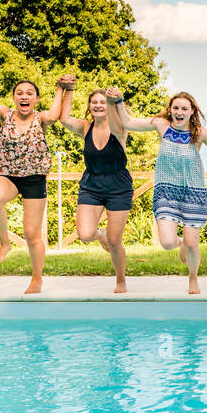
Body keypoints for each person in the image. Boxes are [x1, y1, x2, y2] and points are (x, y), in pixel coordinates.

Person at [114, 91, 207, 295]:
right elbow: (128, 122)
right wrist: (118, 101)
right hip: (166, 191)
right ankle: (181, 244)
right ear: (171, 109)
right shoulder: (161, 125)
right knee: (167, 243)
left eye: (184, 108)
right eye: (176, 108)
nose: (179, 112)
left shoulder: (199, 133)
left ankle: (193, 277)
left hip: (193, 192)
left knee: (193, 243)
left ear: (191, 111)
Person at [0, 75, 74, 294]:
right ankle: (5, 242)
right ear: (14, 98)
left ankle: (37, 279)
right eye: (20, 93)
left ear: (35, 99)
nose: (24, 97)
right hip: (8, 175)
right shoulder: (4, 114)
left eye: (29, 94)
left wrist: (60, 88)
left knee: (31, 234)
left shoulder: (41, 117)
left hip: (34, 179)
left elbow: (55, 116)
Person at [60, 85, 133, 293]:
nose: (98, 105)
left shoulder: (119, 128)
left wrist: (114, 101)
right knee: (85, 234)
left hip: (118, 187)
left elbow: (117, 119)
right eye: (94, 102)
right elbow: (64, 120)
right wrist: (70, 90)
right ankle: (99, 235)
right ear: (89, 106)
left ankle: (120, 280)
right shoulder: (85, 127)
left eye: (102, 102)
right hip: (91, 185)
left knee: (115, 240)